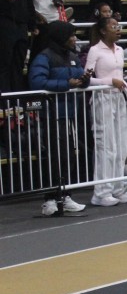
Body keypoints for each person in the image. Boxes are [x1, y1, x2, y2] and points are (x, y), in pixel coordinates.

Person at [28, 20, 89, 215]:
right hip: (51, 115)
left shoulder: (72, 56)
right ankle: (50, 200)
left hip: (70, 114)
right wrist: (66, 84)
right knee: (54, 157)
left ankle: (65, 195)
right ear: (61, 37)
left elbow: (79, 77)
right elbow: (37, 82)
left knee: (69, 156)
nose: (74, 39)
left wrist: (84, 81)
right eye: (71, 35)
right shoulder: (44, 57)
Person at [84, 16, 127, 207]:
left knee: (121, 145)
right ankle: (101, 192)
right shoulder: (95, 50)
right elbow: (87, 78)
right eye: (113, 26)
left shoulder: (120, 50)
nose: (117, 29)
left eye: (118, 26)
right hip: (102, 98)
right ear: (104, 31)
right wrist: (109, 82)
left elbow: (119, 76)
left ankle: (118, 188)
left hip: (118, 98)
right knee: (106, 146)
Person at [0, 0, 35, 92]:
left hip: (21, 25)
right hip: (5, 24)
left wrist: (32, 23)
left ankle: (17, 96)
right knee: (5, 62)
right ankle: (5, 98)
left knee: (19, 62)